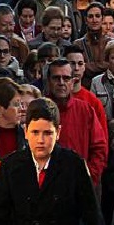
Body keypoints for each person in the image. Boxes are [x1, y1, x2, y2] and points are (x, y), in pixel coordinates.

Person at [43, 56, 109, 185]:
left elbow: (100, 147)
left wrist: (89, 176)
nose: (61, 82)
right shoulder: (39, 109)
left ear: (72, 82)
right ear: (49, 81)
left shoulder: (85, 109)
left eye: (66, 78)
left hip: (80, 185)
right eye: (56, 78)